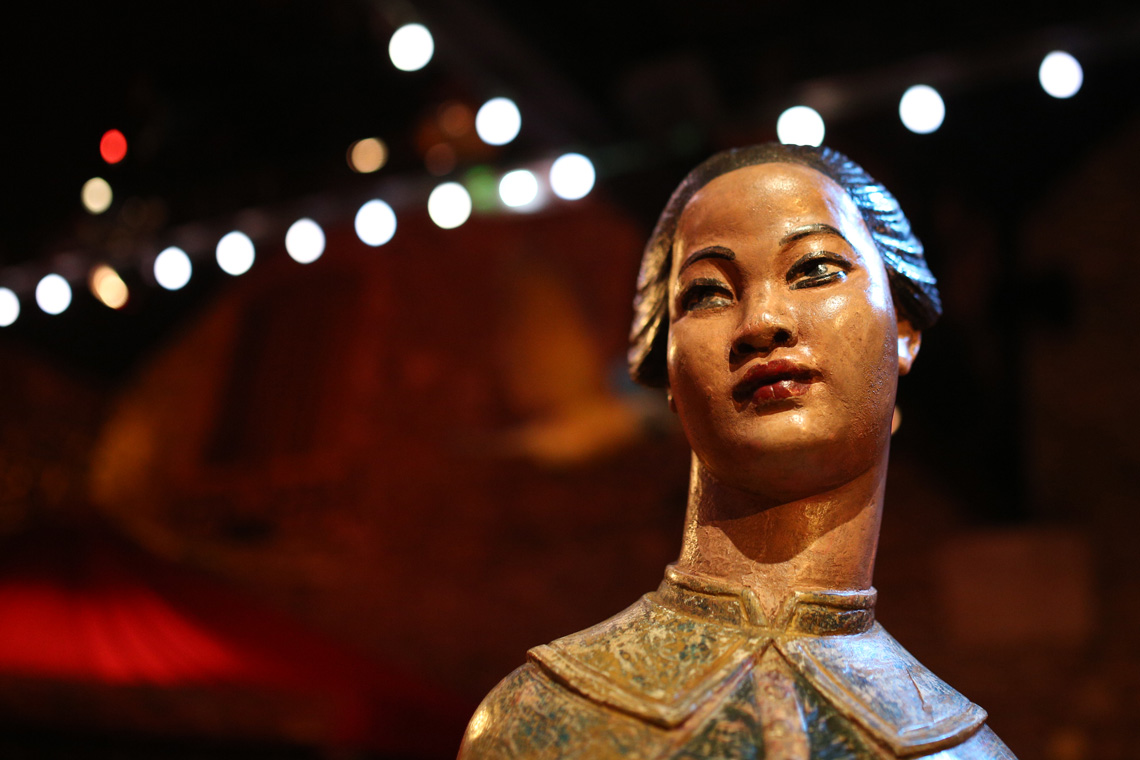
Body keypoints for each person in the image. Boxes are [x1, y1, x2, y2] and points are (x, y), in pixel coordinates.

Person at [458, 143, 1016, 759]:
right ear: (667, 368)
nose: (762, 320)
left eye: (815, 269)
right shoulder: (543, 721)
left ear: (904, 330)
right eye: (706, 293)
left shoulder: (961, 751)